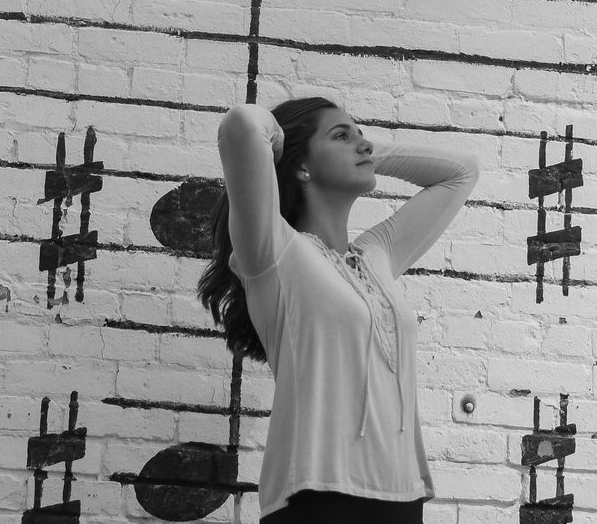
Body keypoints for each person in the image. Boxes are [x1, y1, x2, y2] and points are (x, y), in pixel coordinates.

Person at [197, 96, 481, 523]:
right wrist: (278, 138)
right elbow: (241, 125)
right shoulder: (274, 252)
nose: (361, 144)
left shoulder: (376, 256)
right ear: (301, 166)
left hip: (402, 498)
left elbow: (461, 173)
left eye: (360, 135)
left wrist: (366, 151)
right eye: (341, 136)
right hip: (317, 497)